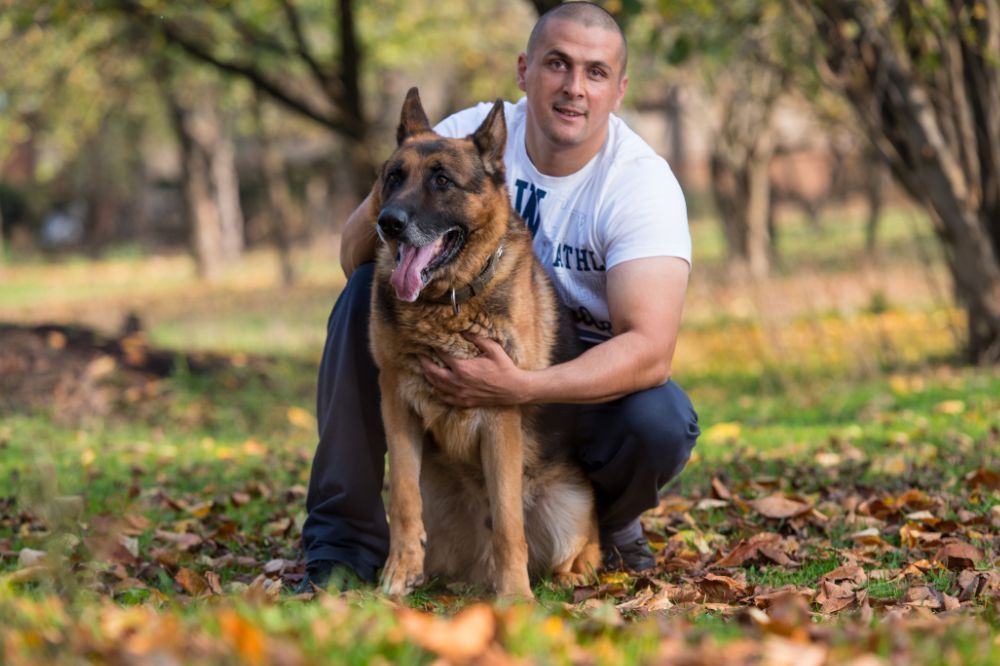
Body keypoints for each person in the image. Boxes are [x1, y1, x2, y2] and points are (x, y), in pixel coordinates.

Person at [299, 1, 699, 591]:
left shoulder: (639, 184)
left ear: (618, 90)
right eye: (557, 64)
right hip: (458, 329)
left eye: (595, 72)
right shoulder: (460, 139)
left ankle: (610, 525)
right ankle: (340, 545)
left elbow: (649, 350)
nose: (573, 87)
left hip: (577, 371)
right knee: (361, 293)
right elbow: (351, 252)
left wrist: (521, 385)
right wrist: (399, 182)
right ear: (524, 70)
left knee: (661, 417)